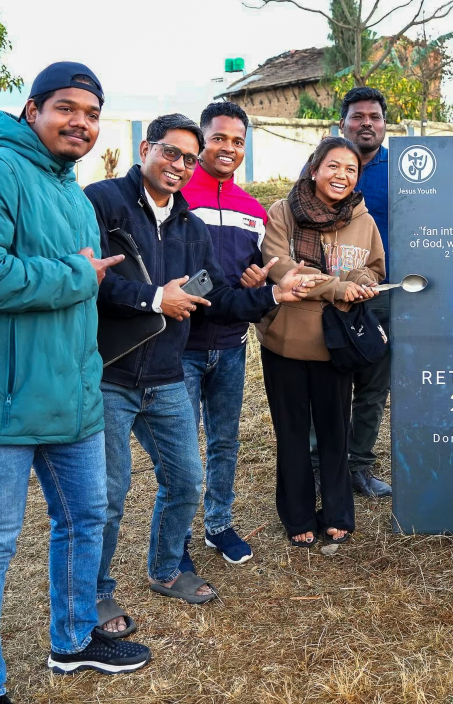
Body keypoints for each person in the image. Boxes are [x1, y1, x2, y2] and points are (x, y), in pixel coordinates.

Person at [0, 62, 151, 702]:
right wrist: (77, 276)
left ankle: (73, 641)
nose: (81, 122)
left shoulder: (71, 192)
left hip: (70, 398)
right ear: (32, 111)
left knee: (85, 519)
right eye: (66, 108)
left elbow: (81, 293)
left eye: (92, 113)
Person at [86, 113, 310, 637]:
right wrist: (153, 297)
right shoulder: (103, 202)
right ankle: (96, 593)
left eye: (189, 158)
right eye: (171, 152)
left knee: (186, 480)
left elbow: (217, 297)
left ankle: (166, 569)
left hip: (165, 374)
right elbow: (86, 279)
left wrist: (273, 295)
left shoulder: (191, 226)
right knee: (109, 493)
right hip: (112, 373)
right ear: (145, 148)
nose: (181, 165)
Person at [258, 136, 385, 547]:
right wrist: (337, 287)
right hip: (286, 340)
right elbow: (281, 269)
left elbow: (374, 268)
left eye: (351, 169)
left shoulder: (363, 220)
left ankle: (337, 512)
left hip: (336, 342)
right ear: (314, 169)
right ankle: (297, 515)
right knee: (292, 432)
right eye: (333, 166)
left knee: (334, 432)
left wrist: (361, 280)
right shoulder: (283, 212)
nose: (342, 175)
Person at [180, 101, 271, 565]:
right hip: (180, 346)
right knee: (180, 450)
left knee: (224, 441)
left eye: (238, 140)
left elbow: (257, 271)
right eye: (218, 138)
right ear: (202, 141)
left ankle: (218, 524)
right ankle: (175, 536)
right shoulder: (177, 197)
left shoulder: (254, 210)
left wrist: (258, 281)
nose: (228, 148)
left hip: (232, 346)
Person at [309, 87, 393, 498]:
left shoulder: (402, 171)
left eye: (374, 117)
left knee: (374, 386)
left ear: (384, 124)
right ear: (342, 123)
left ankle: (359, 465)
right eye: (357, 116)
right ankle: (318, 467)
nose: (366, 123)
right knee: (327, 383)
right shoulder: (322, 168)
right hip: (331, 294)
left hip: (385, 293)